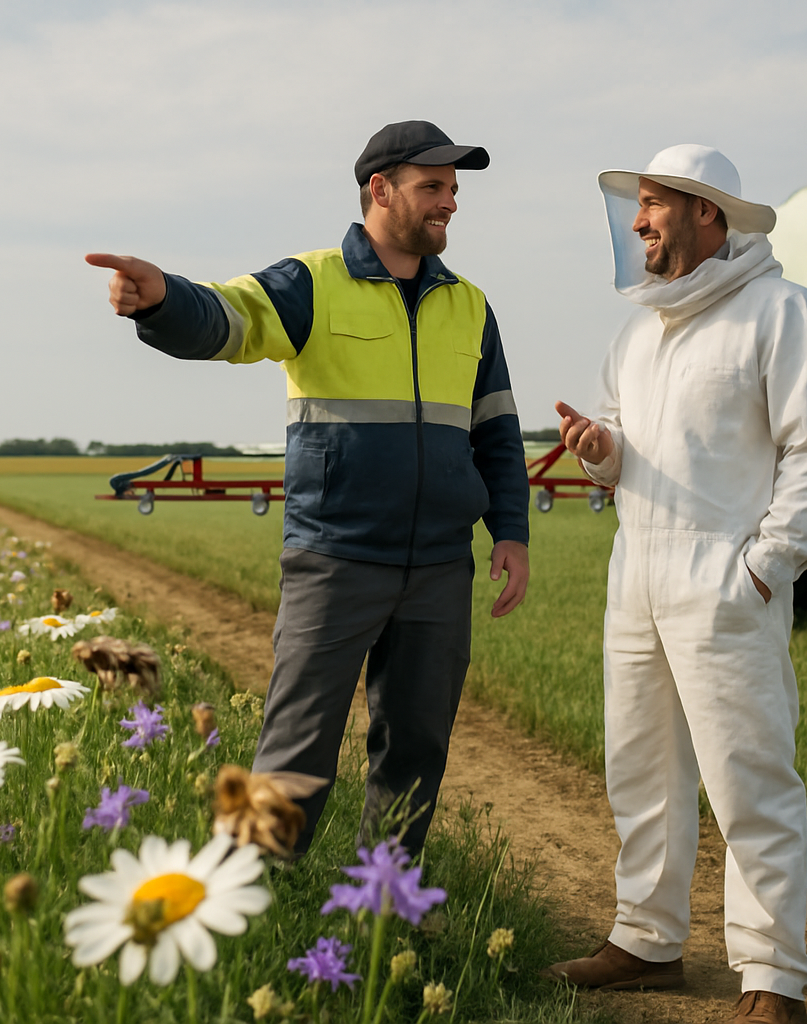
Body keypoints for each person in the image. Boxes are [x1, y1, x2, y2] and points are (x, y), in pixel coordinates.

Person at [86, 120, 531, 858]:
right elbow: (231, 318)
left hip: (439, 569)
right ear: (380, 189)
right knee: (297, 748)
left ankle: (386, 903)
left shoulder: (471, 307)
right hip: (337, 558)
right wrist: (164, 299)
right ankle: (248, 897)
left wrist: (509, 531)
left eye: (454, 189)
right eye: (433, 187)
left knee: (416, 749)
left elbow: (496, 430)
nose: (450, 202)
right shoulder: (313, 281)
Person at [545, 145, 807, 1024]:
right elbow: (630, 448)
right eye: (635, 205)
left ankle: (773, 977)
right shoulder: (639, 330)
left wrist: (766, 565)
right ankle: (646, 941)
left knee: (748, 777)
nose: (638, 221)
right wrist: (602, 454)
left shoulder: (781, 313)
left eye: (652, 203)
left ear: (706, 214)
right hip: (634, 573)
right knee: (639, 768)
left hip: (725, 578)